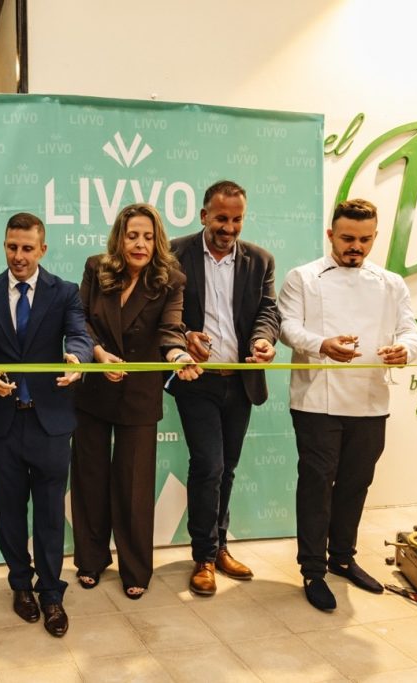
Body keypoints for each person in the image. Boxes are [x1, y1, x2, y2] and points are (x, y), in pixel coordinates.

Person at [278, 198, 417, 611]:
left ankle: (342, 557)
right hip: (316, 401)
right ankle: (312, 569)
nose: (355, 246)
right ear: (330, 235)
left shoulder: (391, 283)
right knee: (317, 485)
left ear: (374, 238)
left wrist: (404, 350)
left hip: (371, 400)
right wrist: (321, 344)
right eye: (346, 238)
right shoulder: (303, 277)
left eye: (364, 239)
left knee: (356, 484)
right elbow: (287, 327)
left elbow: (411, 331)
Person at [0, 213, 93, 637]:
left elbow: (79, 336)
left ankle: (51, 592)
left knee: (51, 514)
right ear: (5, 245)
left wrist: (78, 360)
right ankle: (20, 585)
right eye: (12, 247)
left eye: (27, 248)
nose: (18, 256)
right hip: (3, 423)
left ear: (42, 249)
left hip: (50, 422)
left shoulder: (65, 292)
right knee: (9, 512)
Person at [71, 203, 201, 599]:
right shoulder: (96, 268)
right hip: (94, 389)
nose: (140, 244)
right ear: (120, 239)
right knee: (90, 478)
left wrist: (178, 356)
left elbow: (171, 330)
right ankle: (91, 560)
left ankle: (135, 568)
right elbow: (80, 320)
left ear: (157, 241)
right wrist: (97, 354)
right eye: (132, 236)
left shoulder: (171, 280)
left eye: (147, 236)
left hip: (140, 394)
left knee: (134, 486)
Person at [167, 180, 280, 597]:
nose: (228, 228)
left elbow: (268, 310)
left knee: (227, 468)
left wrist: (263, 340)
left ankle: (219, 547)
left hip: (241, 381)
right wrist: (185, 336)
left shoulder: (260, 260)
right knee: (209, 466)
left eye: (236, 219)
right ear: (203, 216)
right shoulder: (174, 254)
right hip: (197, 381)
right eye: (220, 218)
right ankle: (203, 556)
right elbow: (162, 314)